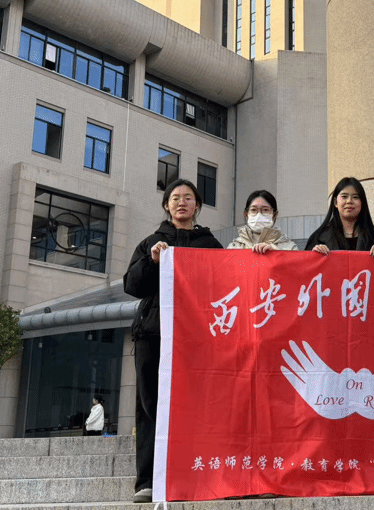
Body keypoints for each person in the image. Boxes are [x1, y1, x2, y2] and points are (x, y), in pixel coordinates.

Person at [124, 179, 223, 504]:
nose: (182, 202)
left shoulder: (210, 244)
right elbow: (132, 286)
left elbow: (226, 286)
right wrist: (151, 261)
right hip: (153, 334)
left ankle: (197, 475)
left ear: (197, 205)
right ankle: (148, 480)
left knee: (198, 405)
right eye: (176, 198)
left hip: (198, 337)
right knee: (150, 406)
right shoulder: (151, 243)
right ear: (166, 205)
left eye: (188, 198)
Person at [306, 177, 374, 256]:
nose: (349, 201)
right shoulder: (318, 238)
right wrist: (314, 256)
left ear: (362, 203)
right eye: (344, 196)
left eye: (355, 197)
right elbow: (305, 265)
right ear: (335, 202)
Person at [228, 190, 298, 252]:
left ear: (274, 214)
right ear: (246, 214)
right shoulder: (234, 247)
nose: (259, 215)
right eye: (253, 210)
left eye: (265, 210)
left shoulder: (290, 248)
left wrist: (276, 253)